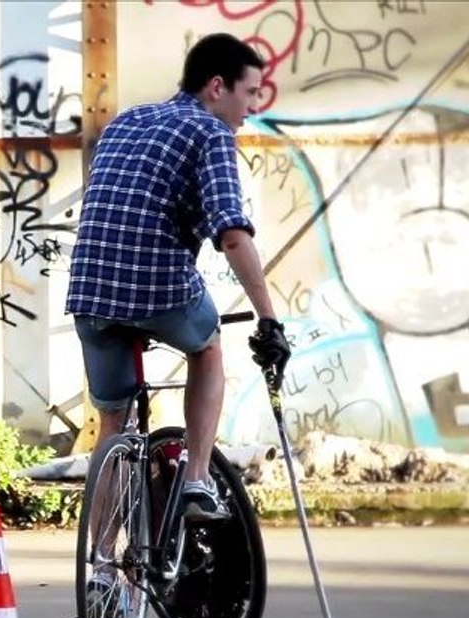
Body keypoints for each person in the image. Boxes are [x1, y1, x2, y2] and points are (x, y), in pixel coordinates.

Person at [66, 32, 291, 526]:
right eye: (250, 93)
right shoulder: (210, 134)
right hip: (156, 287)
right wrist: (268, 318)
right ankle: (195, 478)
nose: (252, 106)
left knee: (113, 424)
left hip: (88, 291)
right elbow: (231, 233)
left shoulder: (125, 122)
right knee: (208, 348)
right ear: (217, 87)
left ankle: (102, 568)